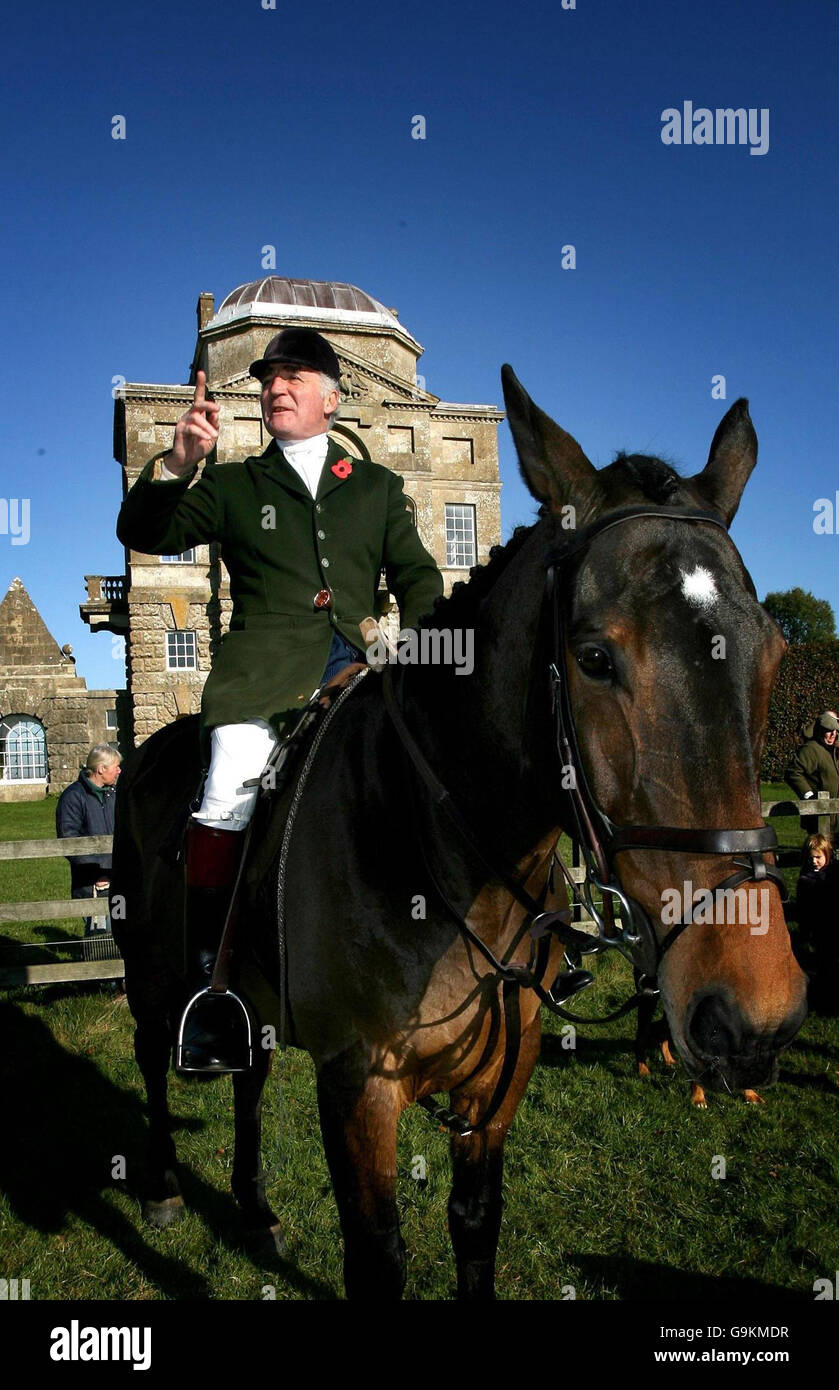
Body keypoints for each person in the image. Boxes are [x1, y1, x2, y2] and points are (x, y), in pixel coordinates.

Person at [116, 326, 443, 1070]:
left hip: (361, 667)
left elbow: (418, 580)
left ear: (332, 398)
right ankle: (213, 986)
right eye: (268, 377)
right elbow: (143, 529)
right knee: (230, 780)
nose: (275, 385)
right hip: (261, 677)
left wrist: (417, 651)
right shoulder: (233, 486)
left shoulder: (379, 489)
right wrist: (177, 462)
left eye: (294, 375)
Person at [55, 745, 122, 947]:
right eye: (115, 766)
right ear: (101, 769)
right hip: (92, 884)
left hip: (119, 881)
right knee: (99, 936)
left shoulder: (115, 794)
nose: (119, 770)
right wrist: (97, 874)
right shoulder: (73, 797)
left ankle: (121, 977)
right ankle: (98, 977)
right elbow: (69, 840)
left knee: (121, 926)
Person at [795, 834, 839, 1009]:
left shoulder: (835, 874)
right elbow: (802, 907)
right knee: (824, 961)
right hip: (819, 928)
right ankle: (824, 994)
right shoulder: (805, 879)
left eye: (818, 857)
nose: (814, 861)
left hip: (834, 924)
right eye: (810, 858)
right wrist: (805, 929)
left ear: (827, 855)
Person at [785, 710, 839, 836]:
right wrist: (809, 795)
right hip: (821, 817)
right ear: (820, 731)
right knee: (820, 853)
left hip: (836, 817)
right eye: (828, 731)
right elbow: (793, 772)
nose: (832, 735)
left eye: (835, 731)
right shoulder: (811, 750)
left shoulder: (834, 750)